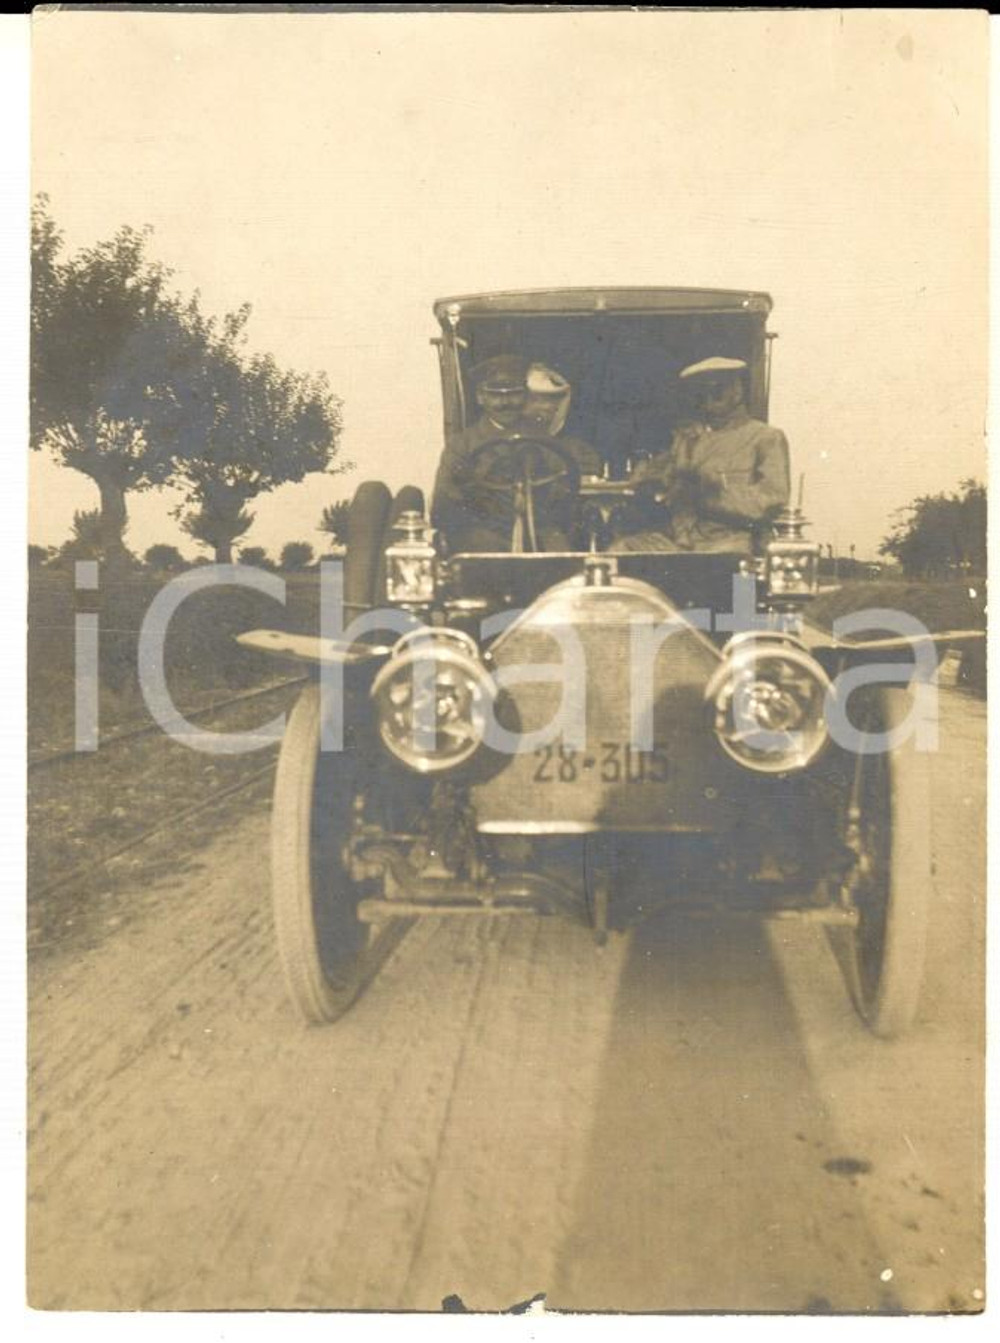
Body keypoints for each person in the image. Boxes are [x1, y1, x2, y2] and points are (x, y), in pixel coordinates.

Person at [612, 356, 790, 554]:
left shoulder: (764, 437)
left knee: (731, 568)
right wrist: (656, 469)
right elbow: (646, 484)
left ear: (737, 392)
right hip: (680, 542)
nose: (707, 399)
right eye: (700, 392)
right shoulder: (689, 437)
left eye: (716, 390)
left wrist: (708, 497)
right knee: (621, 550)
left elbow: (771, 501)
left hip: (732, 541)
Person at [431, 355, 599, 552]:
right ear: (480, 398)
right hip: (483, 534)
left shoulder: (547, 442)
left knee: (562, 553)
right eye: (495, 395)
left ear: (526, 395)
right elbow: (443, 508)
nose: (506, 403)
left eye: (514, 394)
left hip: (540, 532)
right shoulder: (462, 445)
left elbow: (566, 500)